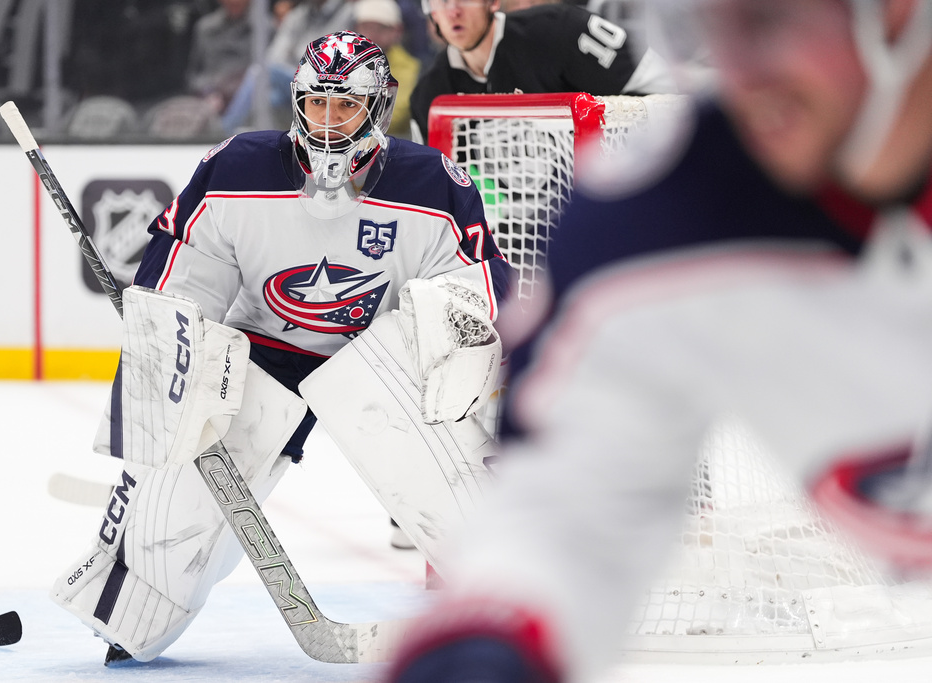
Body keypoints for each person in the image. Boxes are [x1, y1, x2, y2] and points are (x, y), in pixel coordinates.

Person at [386, 1, 932, 682]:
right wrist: (485, 645)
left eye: (768, 25)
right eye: (708, 32)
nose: (742, 74)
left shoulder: (558, 46)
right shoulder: (648, 228)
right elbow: (570, 510)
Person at [50, 30, 513, 666]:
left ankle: (510, 601)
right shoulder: (237, 167)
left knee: (474, 520)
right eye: (316, 103)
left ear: (378, 107)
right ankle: (135, 595)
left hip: (383, 358)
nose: (327, 123)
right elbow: (176, 294)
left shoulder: (433, 186)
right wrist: (165, 377)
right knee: (149, 593)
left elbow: (479, 305)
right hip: (261, 356)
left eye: (345, 106)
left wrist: (462, 389)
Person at [408, 0, 676, 142]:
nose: (453, 10)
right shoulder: (428, 95)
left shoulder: (561, 29)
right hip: (509, 224)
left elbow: (667, 98)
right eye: (441, 1)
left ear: (492, 2)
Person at [355, 0, 421, 140]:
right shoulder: (347, 60)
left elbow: (395, 117)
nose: (371, 35)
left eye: (380, 28)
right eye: (366, 27)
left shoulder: (409, 66)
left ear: (397, 30)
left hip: (390, 142)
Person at [186, 0, 257, 113]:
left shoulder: (263, 30)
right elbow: (195, 74)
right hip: (210, 100)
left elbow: (262, 74)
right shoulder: (205, 28)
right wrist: (208, 93)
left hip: (249, 101)